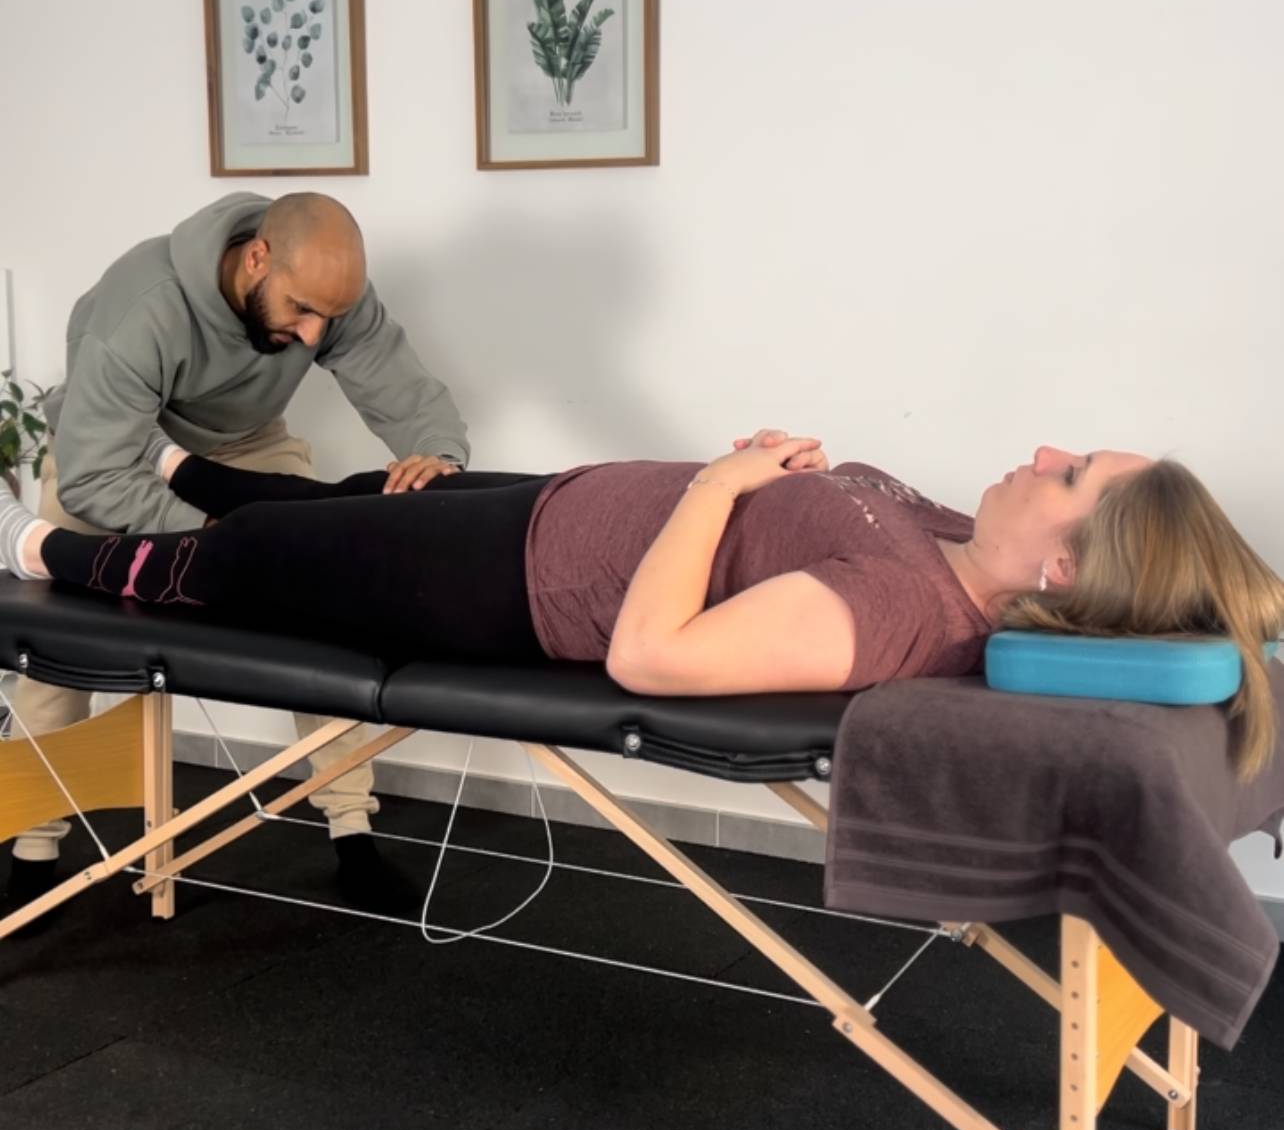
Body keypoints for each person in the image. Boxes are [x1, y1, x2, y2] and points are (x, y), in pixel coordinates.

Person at [1, 432, 1279, 786]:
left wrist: (725, 481)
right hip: (559, 509)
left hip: (513, 585)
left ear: (1064, 574)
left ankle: (60, 553)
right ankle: (205, 472)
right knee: (359, 492)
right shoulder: (952, 542)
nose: (1044, 451)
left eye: (1069, 473)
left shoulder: (897, 614)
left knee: (255, 559)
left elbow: (653, 655)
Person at [4, 191, 469, 925]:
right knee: (57, 641)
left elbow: (398, 384)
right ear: (256, 259)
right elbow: (95, 474)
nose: (313, 333)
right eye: (301, 310)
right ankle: (33, 849)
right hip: (113, 449)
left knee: (323, 614)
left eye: (327, 318)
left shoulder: (326, 293)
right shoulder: (141, 306)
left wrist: (438, 456)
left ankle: (351, 830)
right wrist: (214, 535)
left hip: (245, 447)